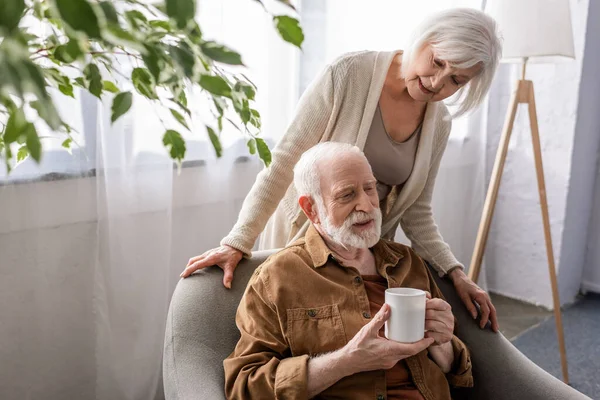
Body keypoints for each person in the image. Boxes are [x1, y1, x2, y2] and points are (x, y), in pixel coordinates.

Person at [182, 8, 501, 331]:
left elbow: (417, 212)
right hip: (299, 242)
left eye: (456, 80)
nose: (437, 83)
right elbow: (283, 163)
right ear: (425, 39)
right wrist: (238, 241)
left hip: (361, 259)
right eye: (437, 62)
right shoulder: (347, 74)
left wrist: (456, 273)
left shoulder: (440, 123)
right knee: (282, 335)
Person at [224, 142, 473, 399]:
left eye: (370, 188)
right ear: (311, 209)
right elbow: (245, 386)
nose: (366, 205)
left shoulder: (407, 261)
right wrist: (346, 361)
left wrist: (443, 343)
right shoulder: (275, 278)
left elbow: (457, 372)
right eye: (346, 195)